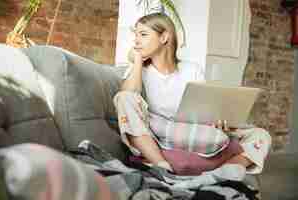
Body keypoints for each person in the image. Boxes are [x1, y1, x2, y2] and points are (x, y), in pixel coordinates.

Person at [113, 13, 271, 188]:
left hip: (195, 130)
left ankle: (228, 169)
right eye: (135, 34)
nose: (136, 41)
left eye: (143, 34)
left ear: (164, 37)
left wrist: (218, 122)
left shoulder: (191, 70)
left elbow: (206, 107)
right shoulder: (139, 71)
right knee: (124, 97)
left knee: (260, 135)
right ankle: (162, 166)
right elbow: (126, 96)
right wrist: (137, 62)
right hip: (163, 134)